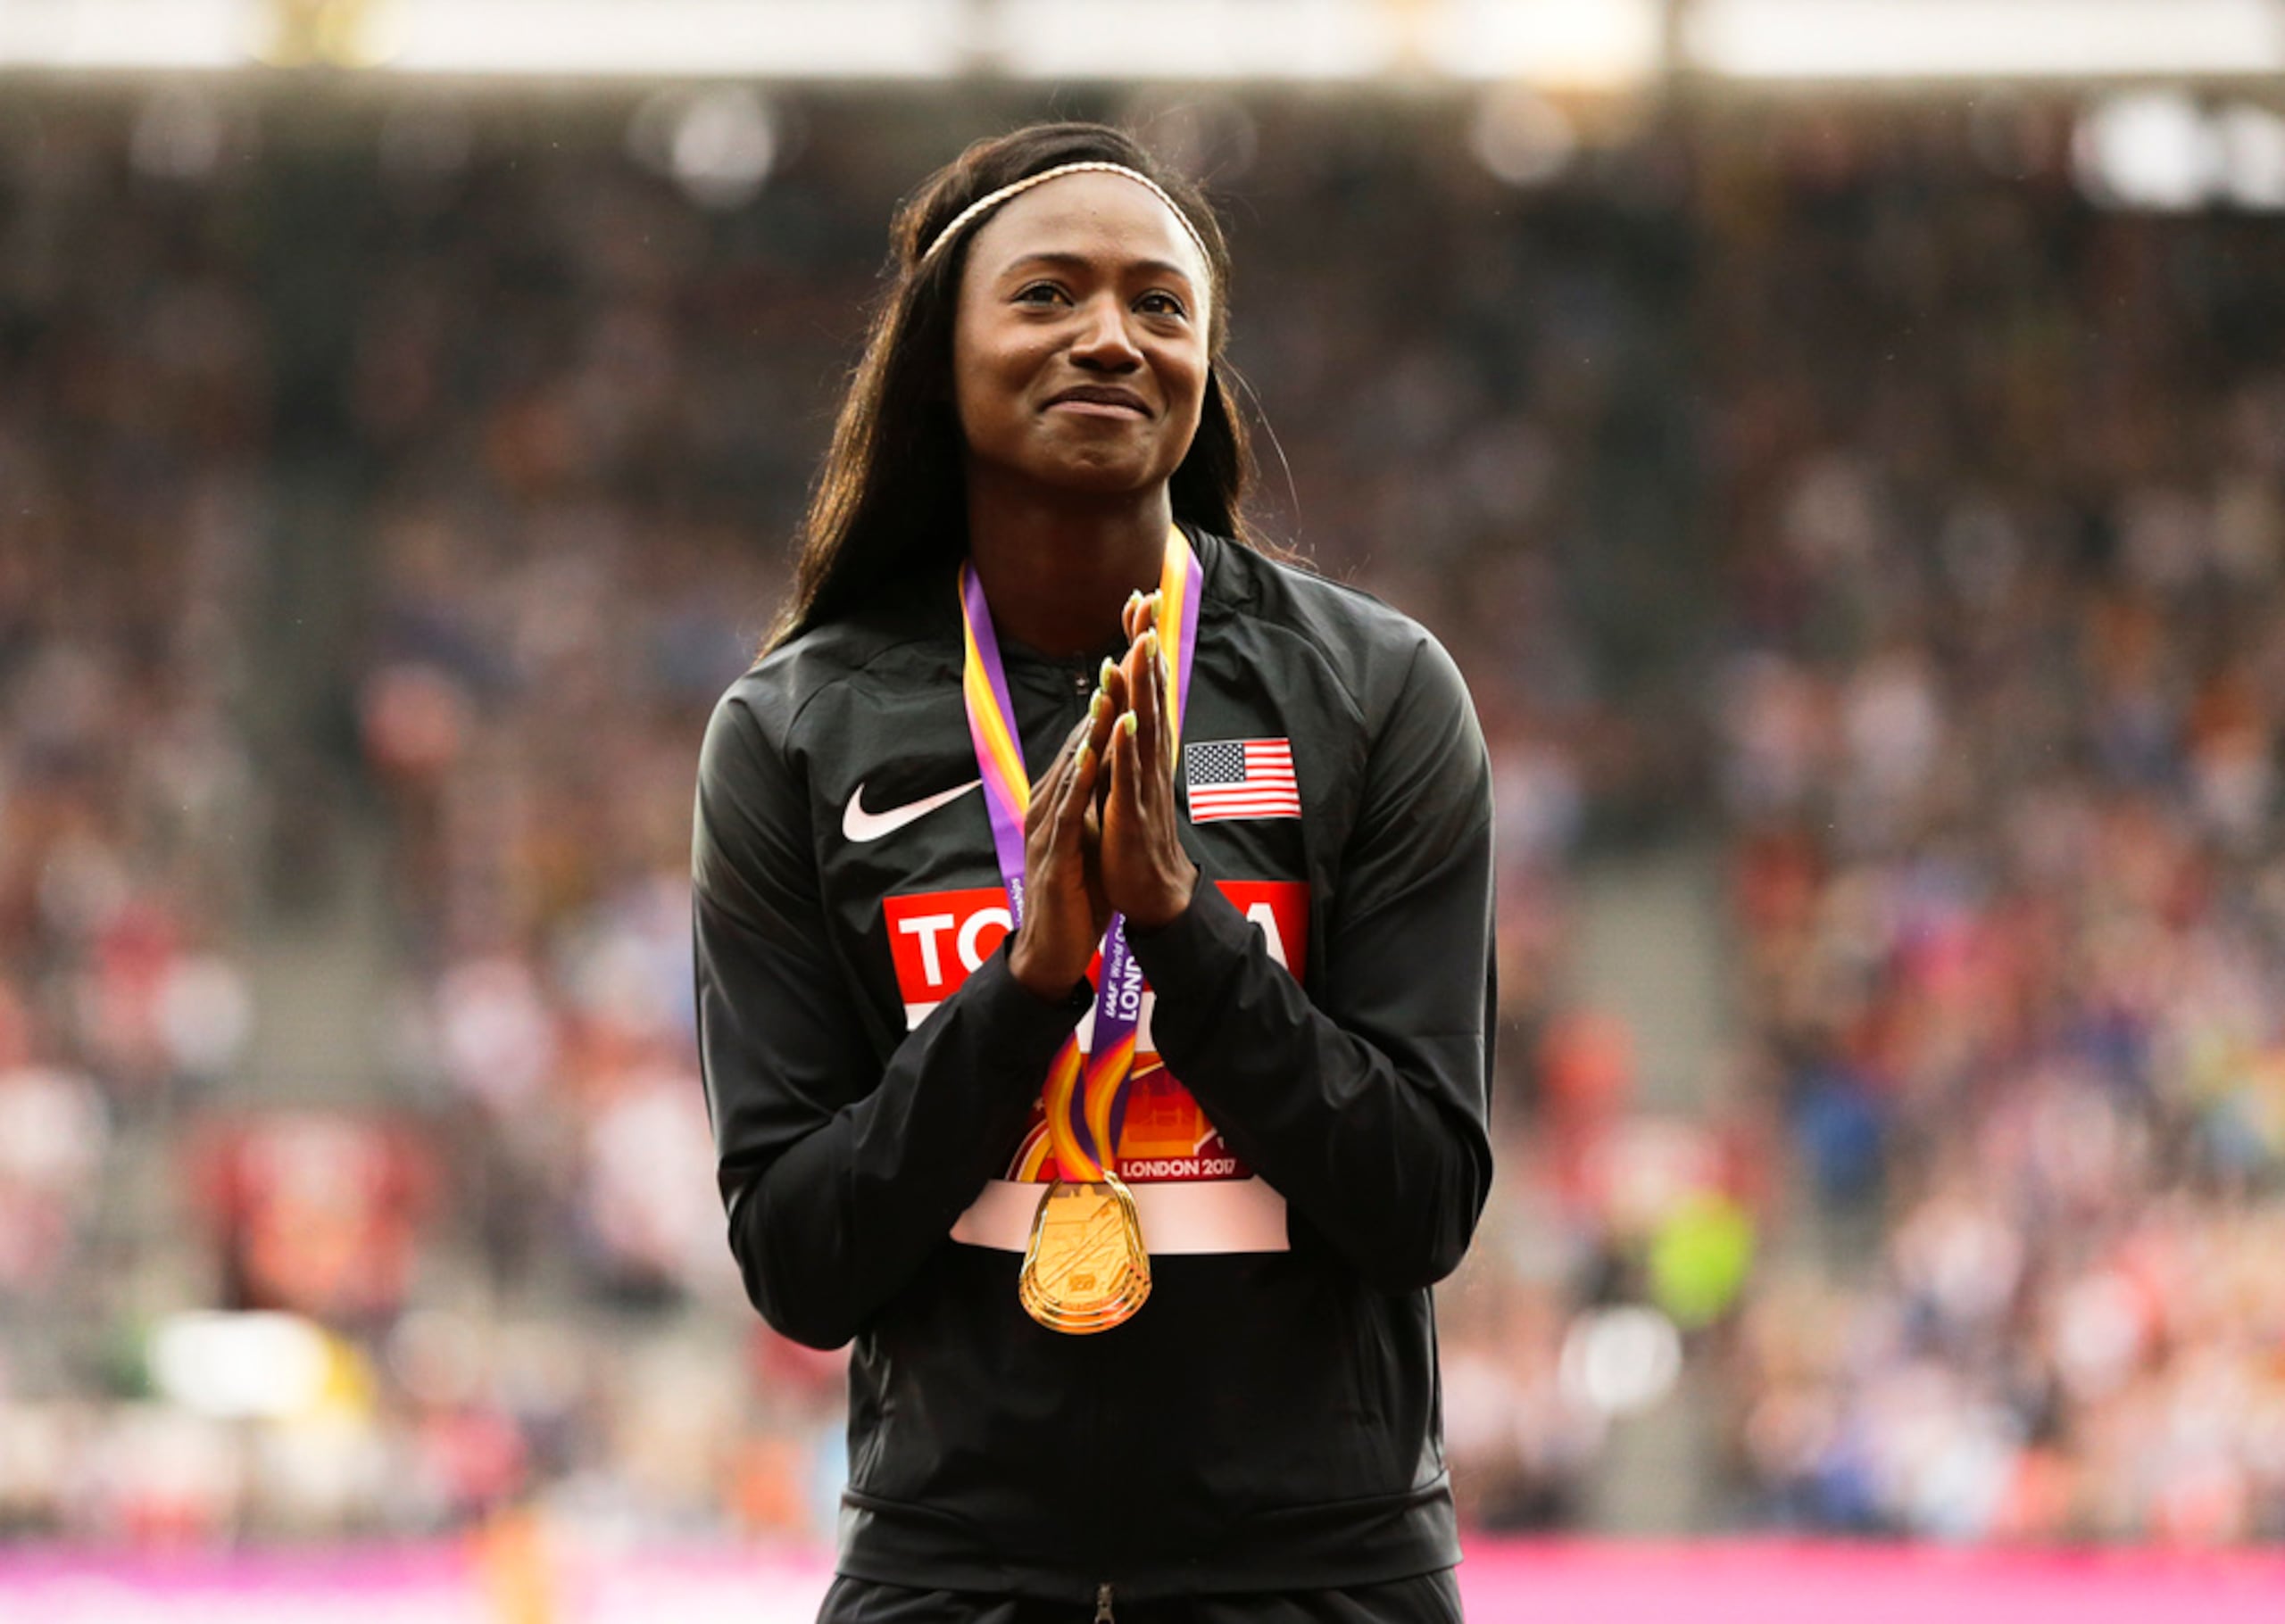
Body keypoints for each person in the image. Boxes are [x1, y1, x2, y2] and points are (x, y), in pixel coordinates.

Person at [692, 121, 1495, 1622]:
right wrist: (1026, 986)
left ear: (1205, 368)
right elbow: (799, 1261)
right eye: (1049, 294)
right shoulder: (797, 728)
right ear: (942, 353)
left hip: (1322, 1579)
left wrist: (1183, 936)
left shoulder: (1377, 693)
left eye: (1161, 305)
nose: (1111, 337)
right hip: (955, 1575)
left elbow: (1424, 1202)